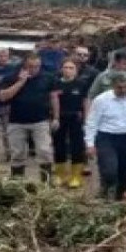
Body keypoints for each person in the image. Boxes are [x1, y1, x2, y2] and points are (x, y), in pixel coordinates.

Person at [85, 71, 126, 200]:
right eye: (119, 87)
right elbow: (92, 122)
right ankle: (105, 187)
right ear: (113, 86)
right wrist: (90, 143)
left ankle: (120, 195)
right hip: (107, 137)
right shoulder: (101, 100)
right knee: (109, 169)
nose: (123, 90)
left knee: (125, 170)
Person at [0, 53, 55, 179]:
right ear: (24, 66)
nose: (34, 69)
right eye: (30, 66)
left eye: (37, 66)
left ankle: (47, 183)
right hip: (17, 121)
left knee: (44, 151)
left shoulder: (48, 77)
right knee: (17, 153)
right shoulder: (11, 77)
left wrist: (55, 117)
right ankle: (17, 183)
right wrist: (21, 82)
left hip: (40, 120)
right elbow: (3, 97)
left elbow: (53, 97)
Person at [51, 59, 90, 188]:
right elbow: (53, 100)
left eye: (71, 67)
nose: (68, 70)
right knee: (59, 145)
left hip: (76, 117)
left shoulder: (81, 84)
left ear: (76, 70)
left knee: (77, 146)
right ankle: (60, 175)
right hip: (60, 118)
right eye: (66, 67)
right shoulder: (56, 83)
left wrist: (86, 119)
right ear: (61, 69)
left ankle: (75, 176)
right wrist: (55, 118)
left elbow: (85, 101)